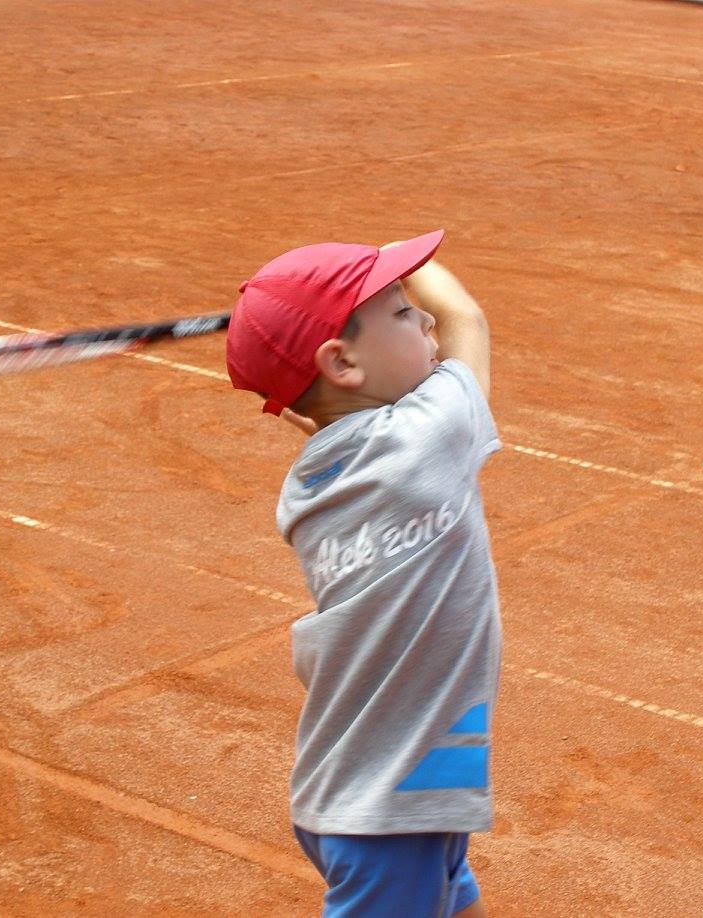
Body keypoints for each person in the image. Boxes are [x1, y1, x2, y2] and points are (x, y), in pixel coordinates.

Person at [226, 229, 500, 917]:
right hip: (395, 797)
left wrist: (377, 290)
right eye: (403, 312)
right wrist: (397, 251)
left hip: (385, 773)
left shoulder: (312, 481)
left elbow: (332, 416)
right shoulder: (426, 436)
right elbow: (465, 316)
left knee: (453, 901)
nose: (426, 318)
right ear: (341, 362)